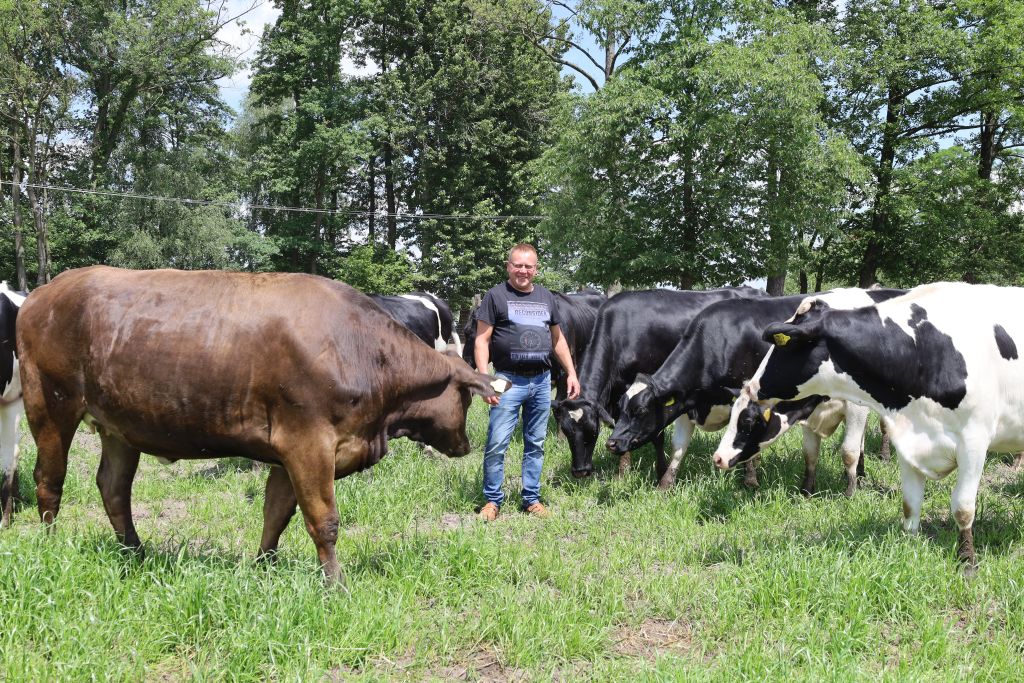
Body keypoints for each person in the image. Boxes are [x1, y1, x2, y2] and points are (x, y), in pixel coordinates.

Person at [474, 243, 580, 521]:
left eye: (528, 266)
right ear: (509, 266)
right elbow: (482, 340)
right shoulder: (495, 296)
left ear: (536, 269)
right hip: (506, 380)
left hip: (542, 382)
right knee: (497, 442)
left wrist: (571, 372)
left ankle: (531, 498)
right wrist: (486, 379)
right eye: (517, 265)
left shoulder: (546, 298)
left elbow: (557, 339)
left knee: (536, 443)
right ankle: (492, 501)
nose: (523, 270)